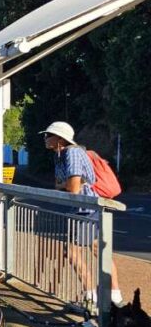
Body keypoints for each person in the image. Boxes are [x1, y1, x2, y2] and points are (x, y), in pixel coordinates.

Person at [40, 121, 122, 308]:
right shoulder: (60, 156)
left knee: (72, 252)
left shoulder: (73, 153)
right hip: (83, 208)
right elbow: (61, 185)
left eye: (48, 135)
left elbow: (74, 188)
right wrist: (65, 185)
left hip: (85, 208)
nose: (45, 138)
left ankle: (91, 297)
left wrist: (65, 185)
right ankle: (114, 296)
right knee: (99, 249)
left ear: (60, 139)